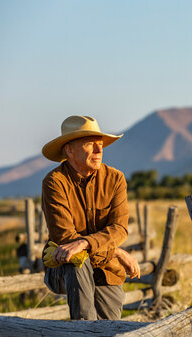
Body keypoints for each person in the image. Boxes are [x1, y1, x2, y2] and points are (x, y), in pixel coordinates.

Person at [41, 115, 140, 320]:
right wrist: (117, 253)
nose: (99, 150)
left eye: (100, 144)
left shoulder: (115, 179)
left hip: (106, 269)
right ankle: (82, 334)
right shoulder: (54, 182)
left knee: (110, 333)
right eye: (90, 144)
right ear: (69, 150)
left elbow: (120, 229)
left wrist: (86, 242)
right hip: (63, 267)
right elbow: (66, 239)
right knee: (75, 257)